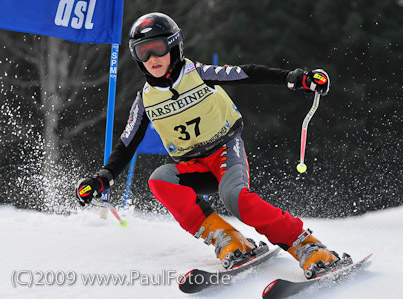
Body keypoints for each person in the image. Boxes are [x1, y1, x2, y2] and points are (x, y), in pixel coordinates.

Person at [76, 12, 338, 279]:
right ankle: (229, 240)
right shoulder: (145, 100)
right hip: (193, 165)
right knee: (160, 180)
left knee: (235, 197)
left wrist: (297, 78)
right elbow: (126, 145)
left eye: (158, 48)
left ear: (174, 46)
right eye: (143, 52)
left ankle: (308, 246)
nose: (152, 58)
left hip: (225, 149)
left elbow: (248, 73)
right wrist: (102, 179)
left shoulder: (198, 73)